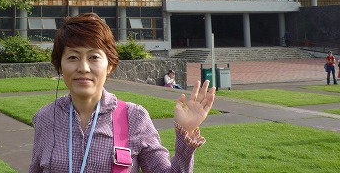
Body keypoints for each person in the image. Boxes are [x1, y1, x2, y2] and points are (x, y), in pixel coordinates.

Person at [29, 12, 216, 172]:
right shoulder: (45, 118)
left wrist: (186, 132)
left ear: (110, 65)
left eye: (94, 57)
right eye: (72, 57)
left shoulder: (134, 118)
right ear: (60, 65)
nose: (83, 68)